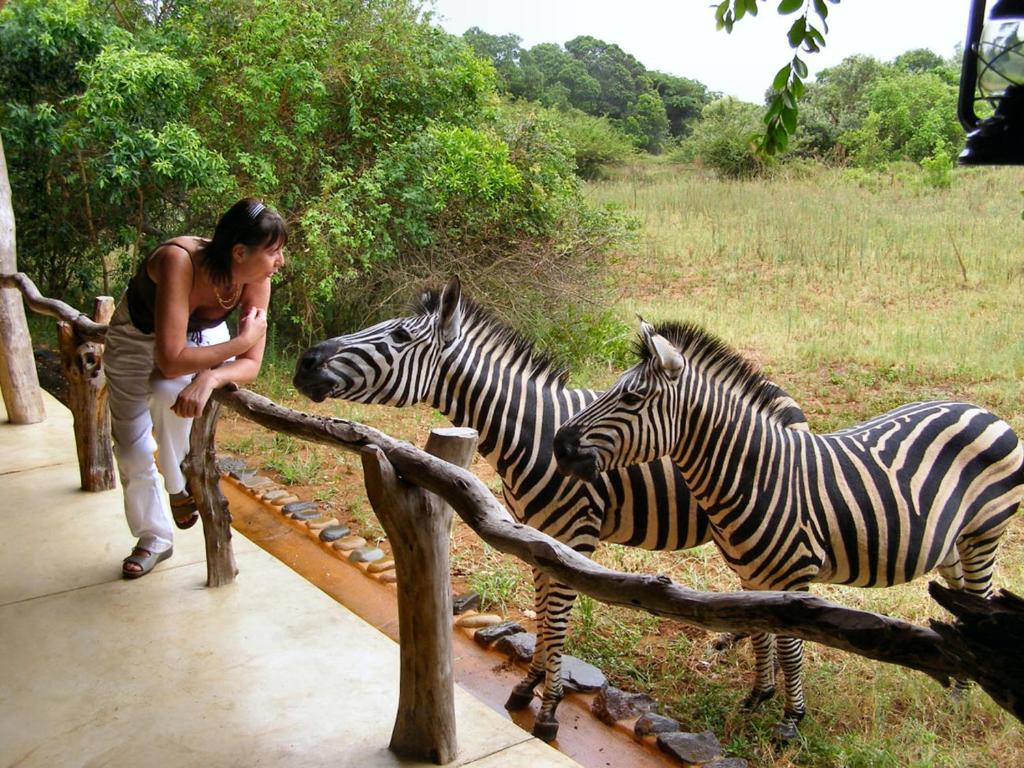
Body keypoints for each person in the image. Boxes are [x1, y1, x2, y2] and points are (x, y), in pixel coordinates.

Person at [104, 198, 287, 579]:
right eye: (273, 252)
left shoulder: (258, 278)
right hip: (137, 337)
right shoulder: (179, 261)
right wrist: (238, 344)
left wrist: (211, 377)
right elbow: (171, 357)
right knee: (131, 445)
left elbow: (251, 365)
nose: (280, 262)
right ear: (239, 252)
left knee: (172, 393)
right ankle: (155, 534)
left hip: (203, 336)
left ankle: (177, 481)